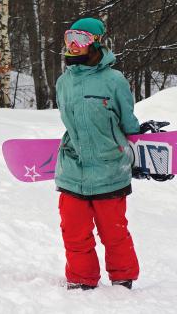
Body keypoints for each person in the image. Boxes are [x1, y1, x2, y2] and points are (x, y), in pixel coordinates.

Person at [55, 17, 140, 290]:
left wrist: (138, 142)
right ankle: (81, 281)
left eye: (80, 39)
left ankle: (123, 278)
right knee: (74, 233)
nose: (73, 45)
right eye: (69, 39)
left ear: (95, 43)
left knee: (114, 232)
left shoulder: (114, 81)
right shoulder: (63, 82)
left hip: (110, 169)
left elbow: (128, 121)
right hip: (73, 169)